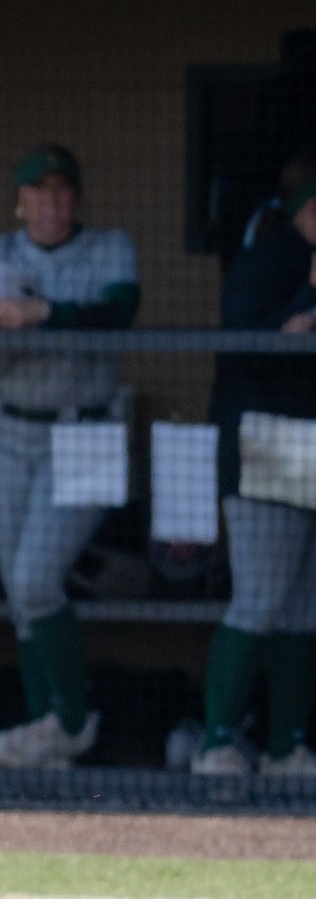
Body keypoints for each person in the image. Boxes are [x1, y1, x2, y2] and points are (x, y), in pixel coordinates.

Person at [0, 144, 140, 769]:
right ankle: (42, 731)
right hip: (12, 428)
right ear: (19, 199)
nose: (50, 202)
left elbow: (119, 310)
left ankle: (71, 721)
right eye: (38, 190)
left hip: (88, 431)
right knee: (19, 589)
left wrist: (42, 312)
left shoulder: (109, 247)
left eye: (61, 190)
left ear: (75, 198)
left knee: (35, 578)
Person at [193, 162, 316, 777]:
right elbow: (250, 343)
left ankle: (286, 746)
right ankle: (215, 742)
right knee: (262, 597)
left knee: (303, 605)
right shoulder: (270, 252)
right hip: (264, 445)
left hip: (309, 445)